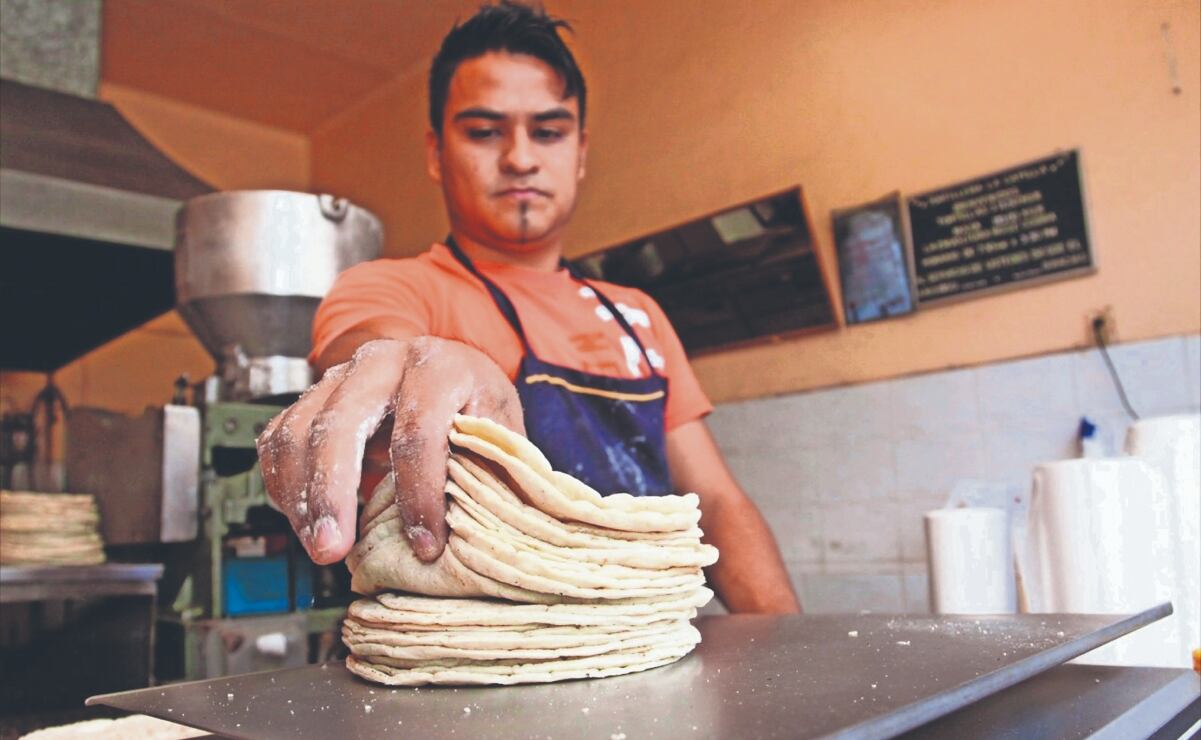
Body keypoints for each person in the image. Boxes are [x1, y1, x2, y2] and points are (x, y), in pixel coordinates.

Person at [257, 1, 800, 614]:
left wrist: (784, 648)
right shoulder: (392, 286)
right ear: (437, 153)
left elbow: (716, 501)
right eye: (484, 131)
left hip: (642, 645)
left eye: (548, 131)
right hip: (465, 673)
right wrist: (417, 362)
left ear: (580, 151)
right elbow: (373, 348)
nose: (519, 157)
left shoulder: (637, 315)